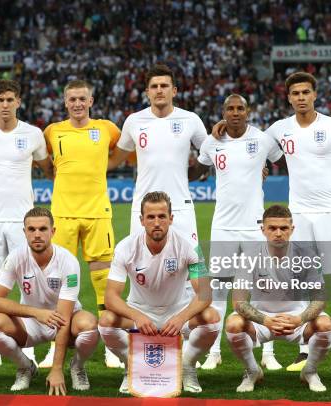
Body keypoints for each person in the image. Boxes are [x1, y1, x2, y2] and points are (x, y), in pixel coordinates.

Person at [213, 71, 331, 371]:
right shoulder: (280, 129)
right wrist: (223, 128)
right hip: (299, 214)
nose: (301, 98)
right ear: (289, 97)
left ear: (315, 94)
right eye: (295, 93)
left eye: (306, 92)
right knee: (302, 275)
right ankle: (305, 348)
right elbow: (248, 138)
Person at [191, 94, 284, 370]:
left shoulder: (263, 139)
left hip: (256, 227)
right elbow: (199, 167)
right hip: (223, 227)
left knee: (265, 289)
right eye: (229, 109)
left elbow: (284, 161)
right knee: (218, 292)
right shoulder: (212, 142)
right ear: (223, 112)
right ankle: (214, 352)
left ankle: (268, 353)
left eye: (240, 108)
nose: (235, 112)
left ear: (248, 111)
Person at [99, 192, 220, 393]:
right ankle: (131, 367)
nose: (157, 222)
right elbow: (110, 297)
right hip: (139, 312)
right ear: (141, 220)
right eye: (151, 217)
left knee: (212, 318)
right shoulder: (125, 247)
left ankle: (187, 365)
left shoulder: (189, 246)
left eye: (162, 216)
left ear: (171, 219)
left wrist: (181, 317)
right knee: (106, 321)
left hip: (177, 311)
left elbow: (205, 293)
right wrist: (137, 316)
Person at [0, 79, 53, 368]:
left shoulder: (33, 134)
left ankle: (29, 344)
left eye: (10, 100)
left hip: (22, 220)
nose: (5, 105)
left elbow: (48, 168)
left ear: (18, 102)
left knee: (27, 280)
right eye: (0, 100)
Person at [41, 79, 122, 368]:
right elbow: (45, 164)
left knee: (103, 280)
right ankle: (54, 343)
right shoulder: (52, 132)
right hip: (62, 213)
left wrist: (104, 168)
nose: (77, 103)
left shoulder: (107, 129)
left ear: (91, 101)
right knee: (57, 280)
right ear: (65, 102)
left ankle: (111, 343)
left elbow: (123, 152)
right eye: (72, 99)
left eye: (82, 99)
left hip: (98, 212)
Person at [0, 207, 99, 394]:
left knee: (89, 325)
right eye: (31, 230)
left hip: (66, 319)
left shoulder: (68, 261)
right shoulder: (16, 257)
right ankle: (25, 367)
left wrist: (56, 369)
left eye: (43, 229)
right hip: (31, 321)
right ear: (24, 232)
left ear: (53, 231)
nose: (37, 234)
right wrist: (37, 313)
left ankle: (77, 367)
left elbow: (64, 317)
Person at [225, 205, 331, 392]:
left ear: (292, 229)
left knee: (325, 323)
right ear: (263, 230)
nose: (278, 233)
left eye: (283, 228)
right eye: (272, 228)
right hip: (262, 320)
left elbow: (320, 297)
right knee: (233, 323)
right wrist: (266, 320)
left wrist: (300, 318)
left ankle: (310, 370)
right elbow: (238, 301)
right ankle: (252, 371)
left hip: (297, 320)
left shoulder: (307, 255)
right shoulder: (249, 256)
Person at [108, 64, 208, 245]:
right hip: (143, 208)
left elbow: (212, 153)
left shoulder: (191, 119)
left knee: (194, 267)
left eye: (164, 86)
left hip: (180, 206)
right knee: (141, 266)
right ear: (147, 92)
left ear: (174, 91)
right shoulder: (134, 121)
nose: (159, 90)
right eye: (154, 86)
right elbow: (114, 160)